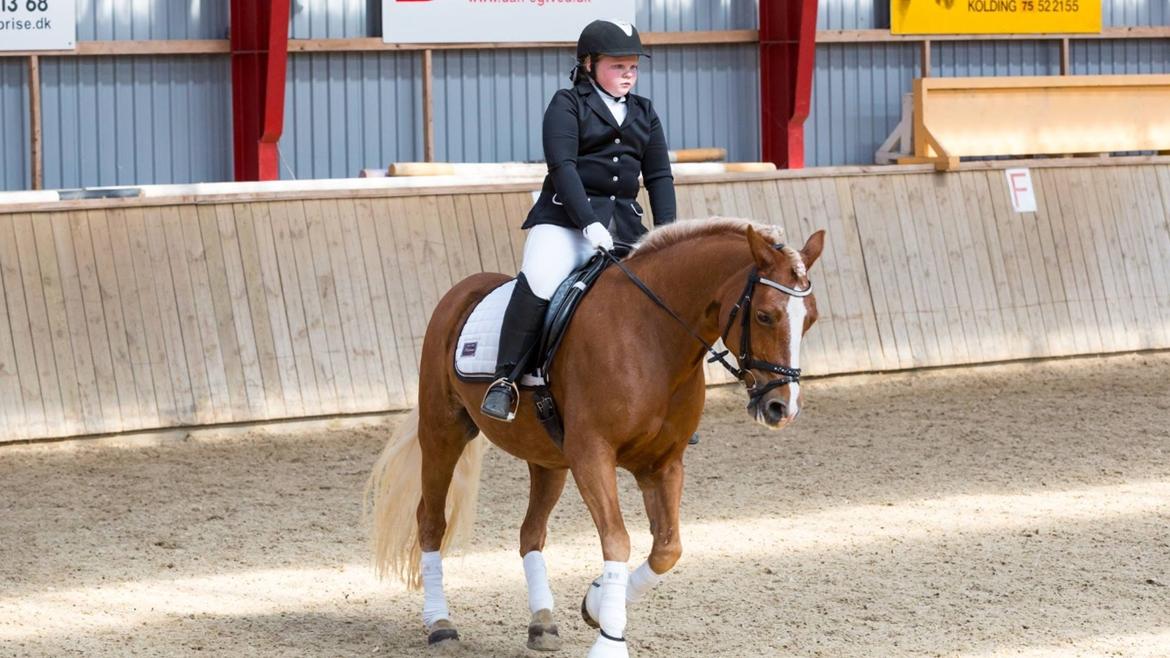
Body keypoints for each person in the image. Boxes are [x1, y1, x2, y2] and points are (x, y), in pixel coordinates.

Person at [480, 19, 678, 421]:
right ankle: (505, 379)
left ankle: (667, 397)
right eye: (618, 66)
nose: (628, 74)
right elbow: (563, 166)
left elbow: (658, 176)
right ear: (588, 64)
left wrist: (670, 235)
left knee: (661, 294)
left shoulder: (644, 111)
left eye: (633, 67)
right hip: (566, 223)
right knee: (538, 279)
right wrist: (588, 223)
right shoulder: (567, 104)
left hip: (626, 226)